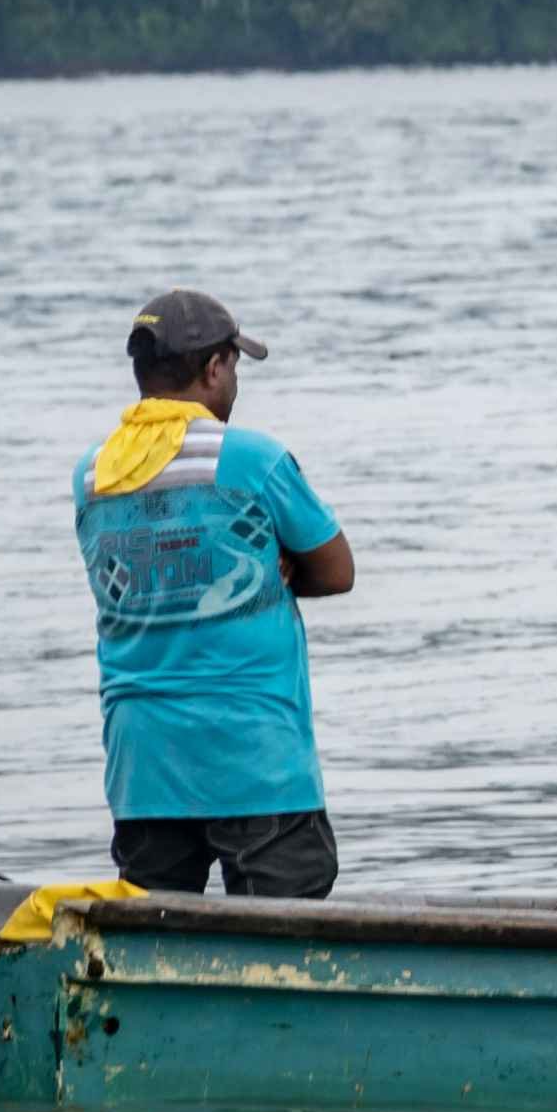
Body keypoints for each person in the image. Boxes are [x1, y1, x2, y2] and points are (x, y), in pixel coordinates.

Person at [70, 286, 358, 898]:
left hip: (144, 764)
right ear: (214, 368)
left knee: (156, 942)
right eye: (233, 365)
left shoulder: (94, 474)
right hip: (253, 755)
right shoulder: (253, 460)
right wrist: (276, 568)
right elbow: (336, 571)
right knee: (282, 941)